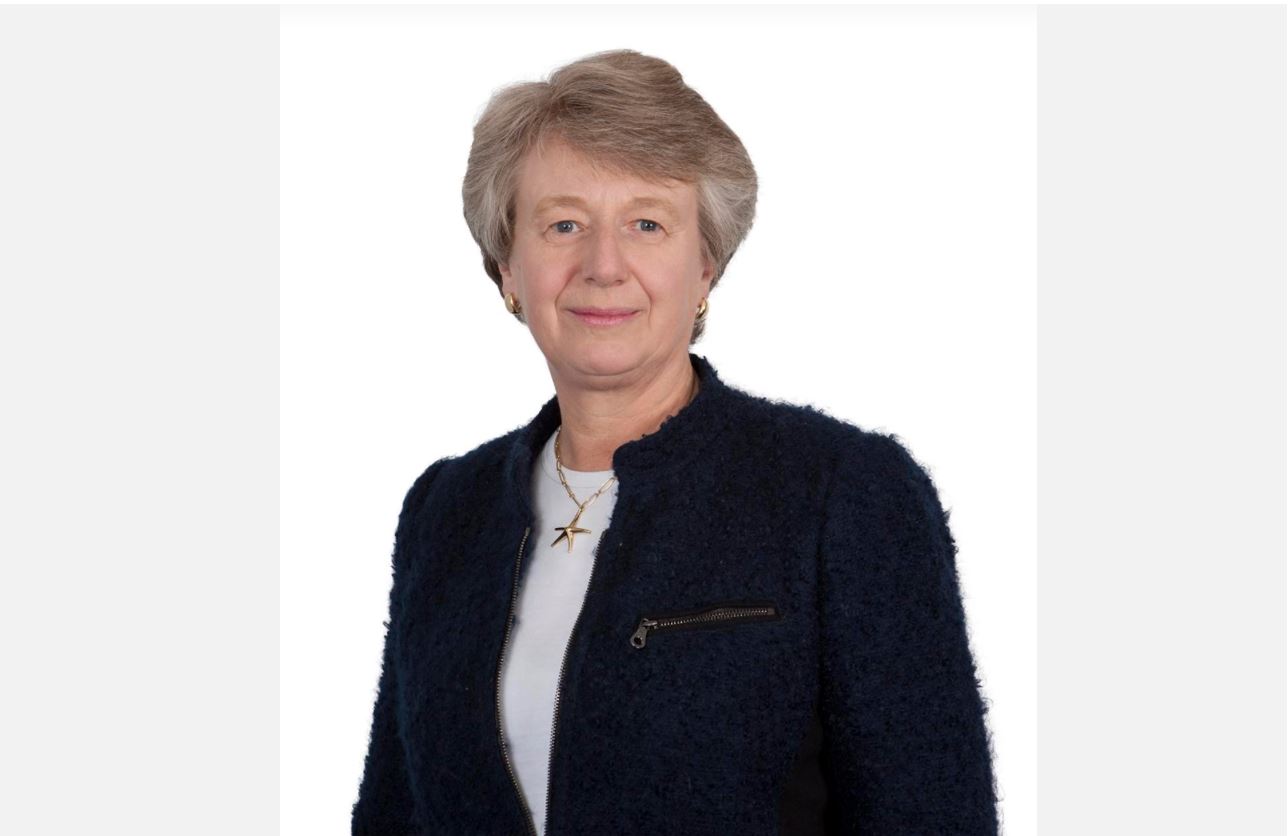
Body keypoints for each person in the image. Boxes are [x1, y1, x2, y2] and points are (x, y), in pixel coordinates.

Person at [352, 49, 999, 836]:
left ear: (706, 267)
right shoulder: (444, 511)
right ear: (506, 267)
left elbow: (933, 818)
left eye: (647, 224)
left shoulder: (841, 492)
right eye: (563, 225)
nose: (604, 265)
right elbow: (393, 815)